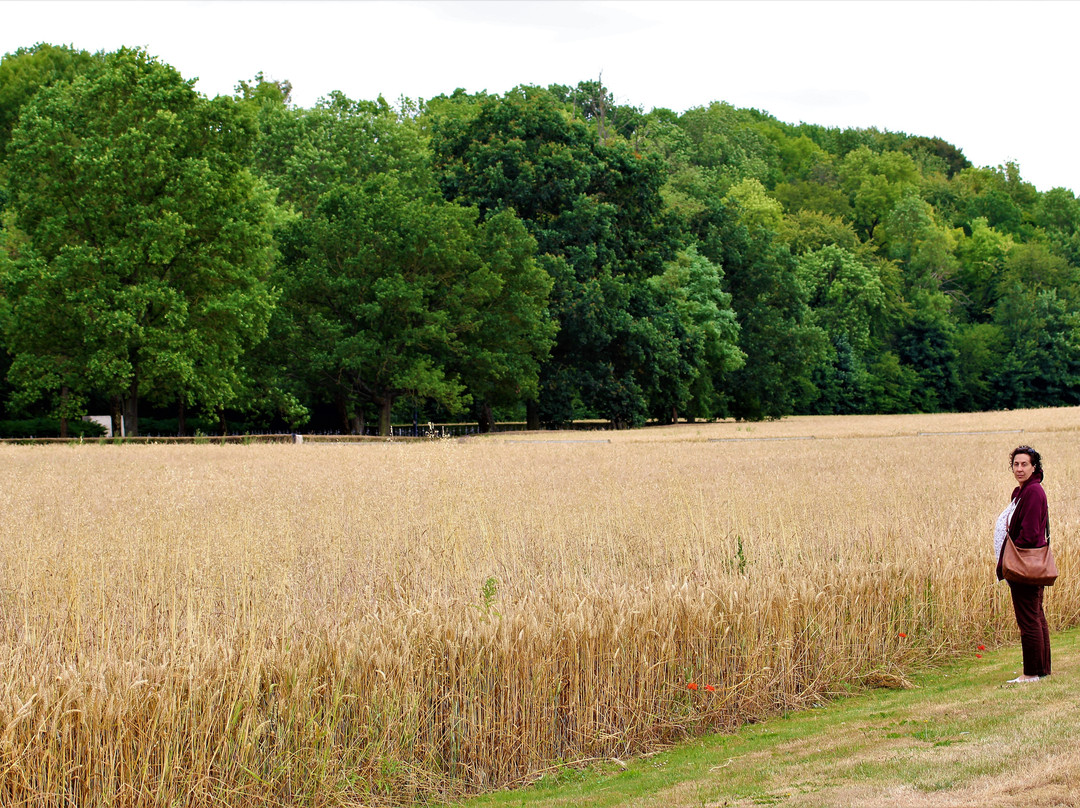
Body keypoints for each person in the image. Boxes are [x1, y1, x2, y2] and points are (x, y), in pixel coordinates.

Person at [995, 445, 1051, 683]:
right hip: (1021, 564)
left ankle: (1030, 674)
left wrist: (1013, 555)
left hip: (1024, 566)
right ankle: (1042, 670)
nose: (1019, 468)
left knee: (1028, 619)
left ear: (1034, 466)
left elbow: (1030, 533)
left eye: (1024, 464)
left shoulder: (1033, 492)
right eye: (1016, 464)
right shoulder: (1022, 491)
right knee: (1036, 615)